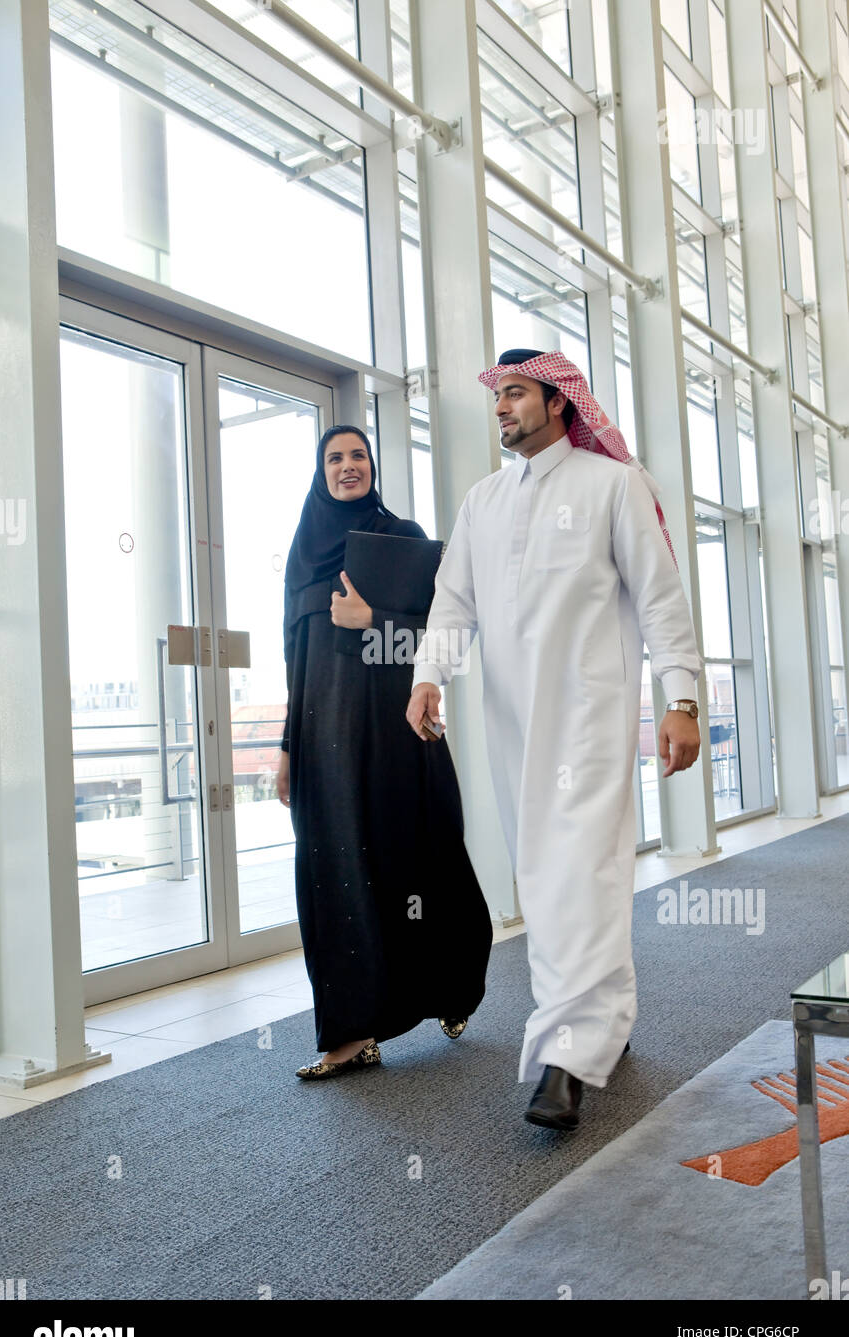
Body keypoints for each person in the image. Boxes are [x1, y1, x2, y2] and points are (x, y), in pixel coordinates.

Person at [406, 349, 702, 1130]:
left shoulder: (613, 486)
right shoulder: (483, 502)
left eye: (516, 392)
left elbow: (662, 598)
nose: (502, 407)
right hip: (513, 727)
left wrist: (683, 700)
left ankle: (565, 1059)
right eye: (497, 396)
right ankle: (605, 1018)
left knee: (584, 871)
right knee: (547, 878)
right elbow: (453, 601)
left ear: (561, 403)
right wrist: (428, 675)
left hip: (592, 720)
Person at [278, 425, 493, 1080]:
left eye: (359, 456)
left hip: (397, 733)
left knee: (418, 861)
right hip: (323, 740)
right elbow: (295, 662)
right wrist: (289, 748)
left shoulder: (400, 540)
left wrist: (372, 622)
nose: (349, 467)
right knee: (332, 872)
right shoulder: (303, 555)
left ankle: (452, 987)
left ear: (374, 466)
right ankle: (350, 1034)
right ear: (322, 474)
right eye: (335, 459)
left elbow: (441, 633)